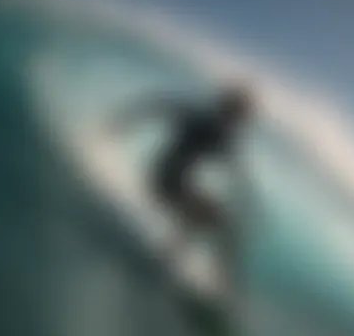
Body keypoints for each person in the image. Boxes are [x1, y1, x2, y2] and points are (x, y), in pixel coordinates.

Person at [108, 85, 254, 275]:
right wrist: (123, 122)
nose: (241, 120)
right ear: (228, 109)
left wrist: (248, 199)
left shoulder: (224, 135)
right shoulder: (203, 121)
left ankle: (211, 278)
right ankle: (169, 261)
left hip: (178, 182)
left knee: (222, 224)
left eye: (242, 116)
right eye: (240, 113)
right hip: (164, 178)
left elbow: (234, 168)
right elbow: (160, 107)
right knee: (206, 218)